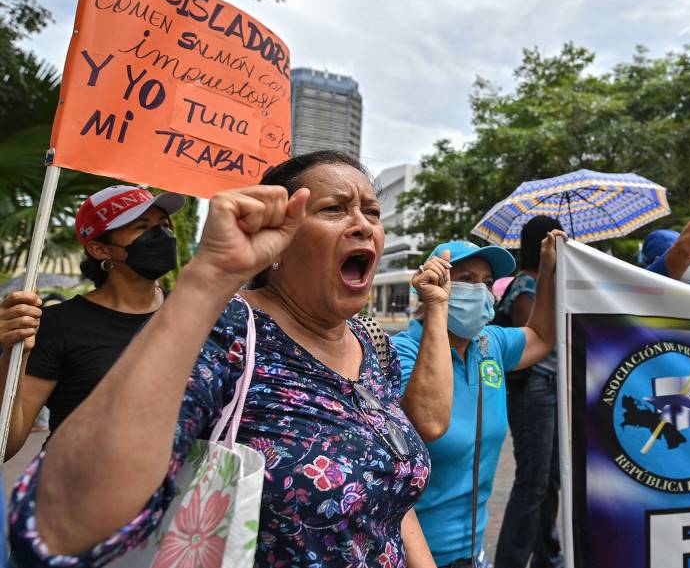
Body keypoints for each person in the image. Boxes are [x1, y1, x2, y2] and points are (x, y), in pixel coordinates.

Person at [6, 151, 448, 567]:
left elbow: (388, 487)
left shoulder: (374, 345)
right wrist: (208, 278)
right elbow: (64, 519)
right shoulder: (224, 329)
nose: (362, 225)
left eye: (371, 211)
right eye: (334, 209)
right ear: (277, 241)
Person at [393, 233, 563, 568]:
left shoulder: (490, 345)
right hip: (414, 555)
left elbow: (542, 336)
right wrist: (436, 310)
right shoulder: (402, 353)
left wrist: (548, 270)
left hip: (473, 554)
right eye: (467, 279)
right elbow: (426, 422)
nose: (480, 290)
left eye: (487, 281)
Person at [0, 185, 185, 459]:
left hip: (176, 494)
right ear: (100, 249)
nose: (161, 236)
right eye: (142, 227)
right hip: (79, 490)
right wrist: (14, 354)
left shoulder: (189, 313)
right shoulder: (58, 325)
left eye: (162, 225)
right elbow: (6, 444)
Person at [495, 216, 564, 568]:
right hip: (533, 388)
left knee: (552, 480)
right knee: (533, 483)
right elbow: (529, 335)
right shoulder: (525, 284)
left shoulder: (550, 282)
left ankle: (547, 557)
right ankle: (512, 560)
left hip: (552, 388)